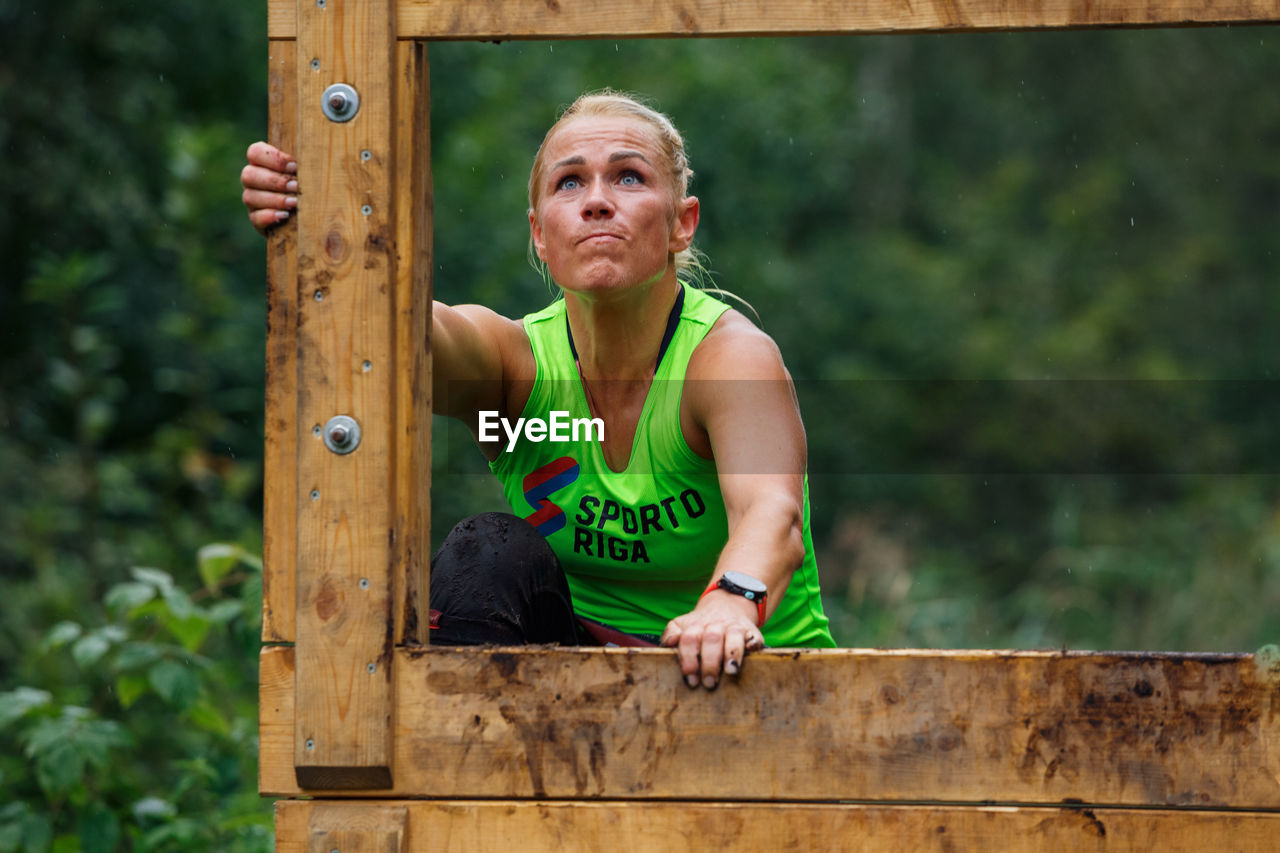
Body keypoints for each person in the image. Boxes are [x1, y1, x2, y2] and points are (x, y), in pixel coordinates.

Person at [241, 90, 834, 689]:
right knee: (490, 548)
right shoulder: (514, 366)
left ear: (682, 223)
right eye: (569, 183)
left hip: (747, 680)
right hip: (580, 693)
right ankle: (457, 769)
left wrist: (730, 604)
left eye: (628, 177)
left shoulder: (728, 357)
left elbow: (770, 514)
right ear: (540, 234)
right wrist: (324, 227)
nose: (597, 201)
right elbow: (402, 336)